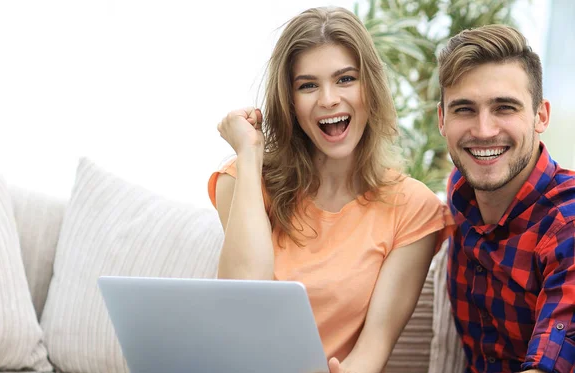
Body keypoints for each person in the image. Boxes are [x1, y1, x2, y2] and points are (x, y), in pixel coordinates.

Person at [207, 6, 454, 373]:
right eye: (308, 85)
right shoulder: (244, 180)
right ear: (289, 101)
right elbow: (245, 298)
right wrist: (249, 153)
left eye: (345, 79)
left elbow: (374, 348)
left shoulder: (412, 208)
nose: (328, 99)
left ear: (369, 86)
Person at [437, 24, 575, 373]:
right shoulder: (460, 194)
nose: (483, 131)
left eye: (504, 108)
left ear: (540, 115)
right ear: (442, 120)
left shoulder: (567, 225)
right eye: (464, 109)